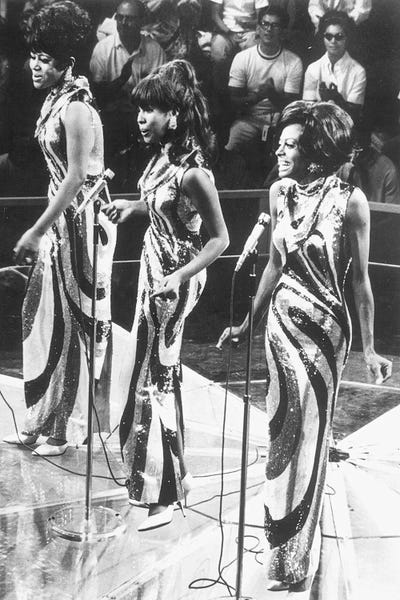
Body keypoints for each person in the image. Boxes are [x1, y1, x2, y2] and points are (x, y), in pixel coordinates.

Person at [217, 100, 392, 594]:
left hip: (324, 335)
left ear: (315, 153)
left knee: (309, 442)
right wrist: (247, 322)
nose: (279, 151)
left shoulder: (350, 201)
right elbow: (274, 266)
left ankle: (297, 560)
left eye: (290, 145)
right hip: (279, 329)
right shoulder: (279, 193)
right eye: (280, 143)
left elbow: (361, 282)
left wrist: (370, 349)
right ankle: (281, 548)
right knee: (281, 437)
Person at [104, 59, 229, 531]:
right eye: (140, 110)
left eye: (151, 110)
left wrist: (179, 277)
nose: (141, 119)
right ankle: (174, 473)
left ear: (173, 115)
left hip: (176, 278)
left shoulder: (194, 172)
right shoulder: (162, 158)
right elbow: (161, 205)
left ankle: (166, 493)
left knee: (156, 377)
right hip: (152, 268)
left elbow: (220, 240)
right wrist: (132, 207)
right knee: (153, 371)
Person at [3, 1, 116, 456]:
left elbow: (76, 178)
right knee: (43, 316)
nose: (35, 65)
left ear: (66, 62)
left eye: (45, 59)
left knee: (73, 324)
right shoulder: (55, 99)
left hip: (83, 221)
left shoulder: (77, 108)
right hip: (62, 223)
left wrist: (35, 230)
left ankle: (63, 429)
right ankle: (38, 418)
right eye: (33, 56)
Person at [224, 5, 303, 182]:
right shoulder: (243, 58)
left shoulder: (293, 61)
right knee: (233, 142)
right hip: (249, 118)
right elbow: (234, 101)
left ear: (283, 31)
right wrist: (258, 96)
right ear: (258, 28)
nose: (269, 29)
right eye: (265, 24)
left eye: (275, 25)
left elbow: (291, 106)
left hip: (280, 119)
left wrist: (271, 94)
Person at [303, 10, 366, 124]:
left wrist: (338, 99)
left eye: (339, 36)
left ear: (347, 38)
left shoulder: (358, 71)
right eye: (328, 36)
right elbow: (307, 110)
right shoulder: (312, 69)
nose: (333, 41)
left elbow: (355, 116)